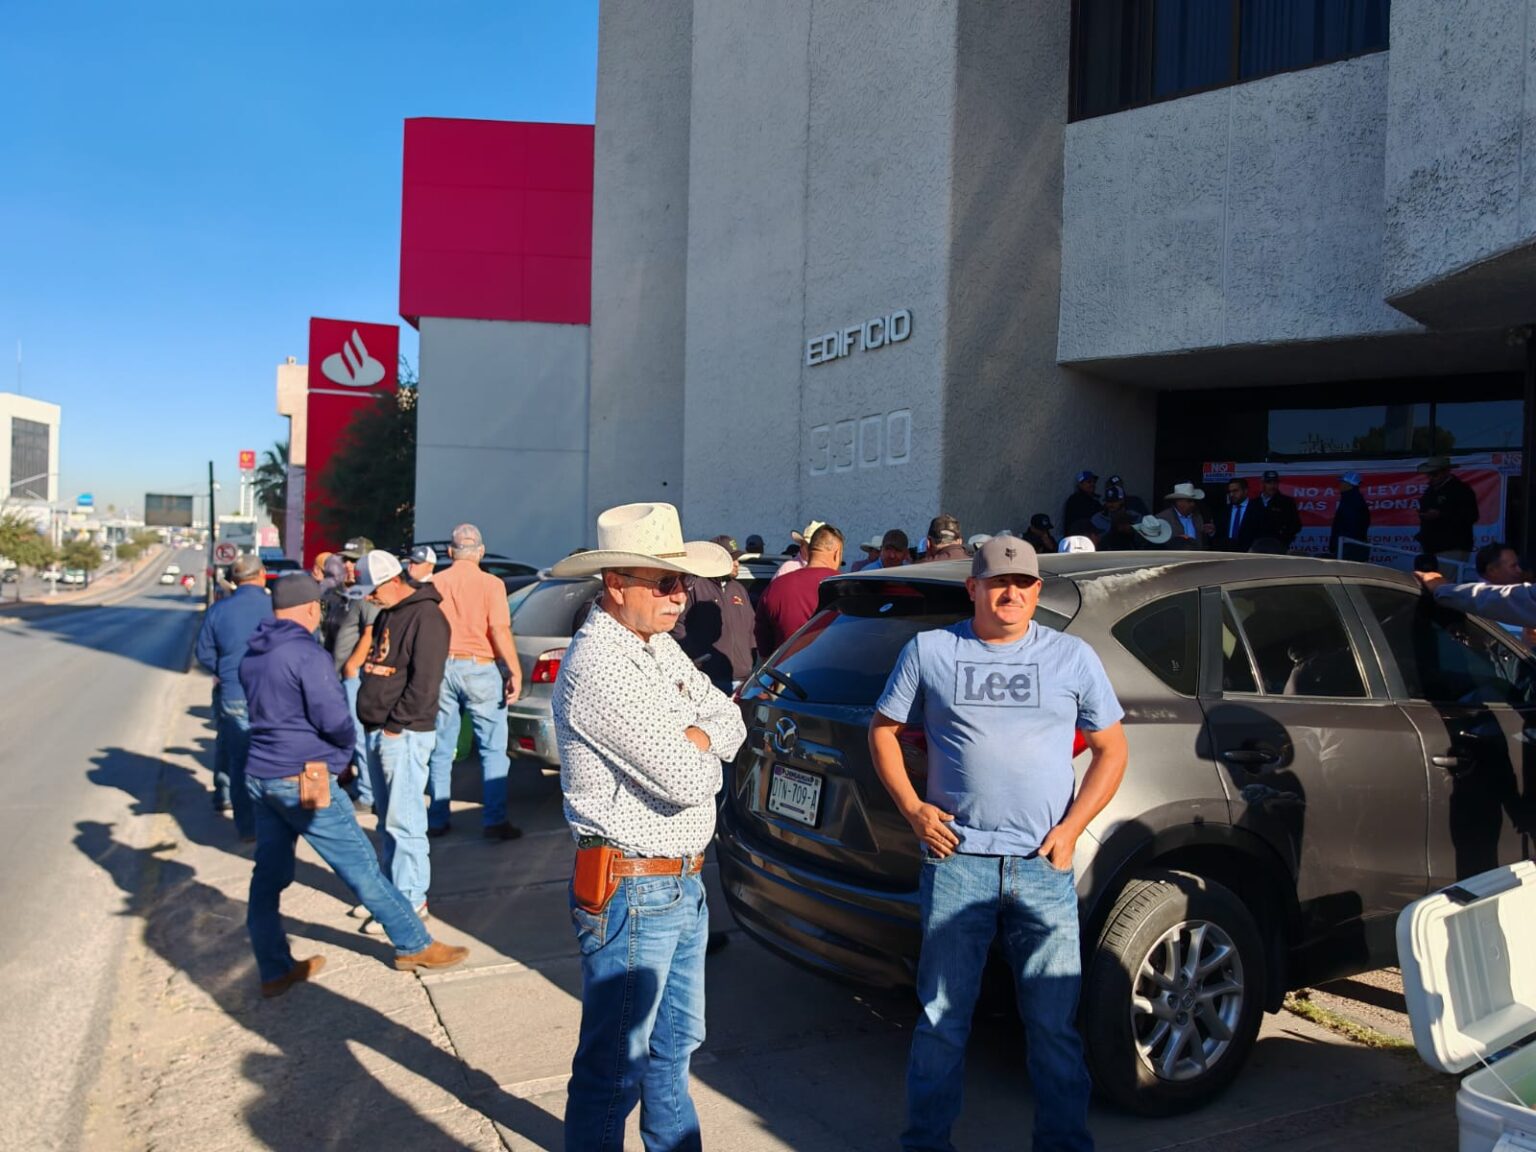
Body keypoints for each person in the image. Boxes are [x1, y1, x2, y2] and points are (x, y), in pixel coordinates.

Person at [869, 537, 1127, 1152]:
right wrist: (912, 809)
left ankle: (1063, 1143)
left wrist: (1070, 830)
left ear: (1038, 590)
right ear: (974, 588)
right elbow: (882, 731)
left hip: (1043, 865)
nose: (1010, 593)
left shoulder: (1071, 657)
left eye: (1023, 583)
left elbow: (1111, 749)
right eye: (997, 582)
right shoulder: (930, 650)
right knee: (941, 1020)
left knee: (1053, 1027)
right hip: (958, 864)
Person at [547, 501, 747, 1152]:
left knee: (673, 1049)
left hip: (678, 883)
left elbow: (732, 721)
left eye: (682, 581)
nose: (680, 594)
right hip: (633, 888)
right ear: (615, 584)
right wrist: (700, 745)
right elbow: (694, 779)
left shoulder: (654, 645)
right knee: (615, 1067)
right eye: (663, 582)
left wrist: (696, 735)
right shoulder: (600, 665)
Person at [238, 574, 468, 997]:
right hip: (303, 777)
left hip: (261, 775)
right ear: (311, 608)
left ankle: (273, 968)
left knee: (268, 876)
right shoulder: (305, 653)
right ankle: (413, 944)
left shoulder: (255, 650)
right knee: (362, 867)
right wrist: (342, 758)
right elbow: (334, 718)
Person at [354, 550, 451, 930]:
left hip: (405, 735)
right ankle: (391, 894)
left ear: (393, 581)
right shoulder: (389, 612)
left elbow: (425, 684)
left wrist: (396, 725)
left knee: (405, 822)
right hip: (381, 730)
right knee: (387, 821)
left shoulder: (427, 617)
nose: (368, 598)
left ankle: (410, 902)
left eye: (372, 590)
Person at [425, 524, 524, 841]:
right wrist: (514, 670)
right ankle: (494, 821)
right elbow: (498, 629)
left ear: (451, 552)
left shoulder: (435, 582)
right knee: (493, 750)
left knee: (441, 748)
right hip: (480, 668)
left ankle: (437, 818)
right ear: (480, 552)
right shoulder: (492, 584)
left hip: (443, 667)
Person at [195, 554, 272, 839]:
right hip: (272, 694)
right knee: (271, 758)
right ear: (262, 574)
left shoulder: (219, 610)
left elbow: (203, 652)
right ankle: (270, 823)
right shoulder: (275, 606)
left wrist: (223, 670)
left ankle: (247, 827)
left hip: (233, 691)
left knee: (240, 760)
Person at [672, 535, 757, 693]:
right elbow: (676, 625)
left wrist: (752, 656)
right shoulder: (694, 586)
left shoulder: (739, 589)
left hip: (744, 679)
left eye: (737, 559)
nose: (737, 564)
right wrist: (696, 656)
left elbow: (751, 626)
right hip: (711, 680)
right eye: (731, 559)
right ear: (716, 561)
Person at [756, 524, 844, 654]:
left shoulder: (777, 585)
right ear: (837, 554)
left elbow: (762, 634)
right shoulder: (847, 586)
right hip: (832, 670)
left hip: (783, 670)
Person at [1416, 455, 1479, 565]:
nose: (1431, 477)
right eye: (1429, 474)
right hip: (1430, 546)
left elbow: (1471, 515)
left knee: (1445, 580)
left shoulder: (1460, 489)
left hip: (1452, 546)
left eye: (1434, 474)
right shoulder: (1430, 490)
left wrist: (1441, 515)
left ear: (1446, 472)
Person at [1215, 477, 1263, 553]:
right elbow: (1220, 534)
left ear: (1245, 491)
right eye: (1230, 492)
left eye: (1235, 491)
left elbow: (1261, 535)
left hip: (1249, 554)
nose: (1231, 494)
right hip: (1227, 554)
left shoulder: (1258, 510)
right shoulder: (1224, 511)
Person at [1157, 482, 1211, 549]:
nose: (1193, 504)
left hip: (1196, 557)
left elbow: (1202, 540)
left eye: (1194, 501)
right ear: (1179, 502)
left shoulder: (1197, 516)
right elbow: (1159, 544)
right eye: (1189, 501)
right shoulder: (1163, 518)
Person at [1330, 471, 1371, 558]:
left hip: (1349, 546)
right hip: (1349, 544)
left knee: (1345, 570)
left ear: (1349, 484)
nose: (1340, 484)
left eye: (1342, 482)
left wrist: (1340, 543)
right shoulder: (1350, 498)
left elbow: (1350, 525)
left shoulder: (1352, 501)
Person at [1257, 470, 1302, 548]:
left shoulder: (1287, 502)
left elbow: (1296, 525)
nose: (1272, 486)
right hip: (1257, 545)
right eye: (1269, 483)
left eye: (1275, 483)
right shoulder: (1254, 503)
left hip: (1279, 546)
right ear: (1263, 483)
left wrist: (1283, 538)